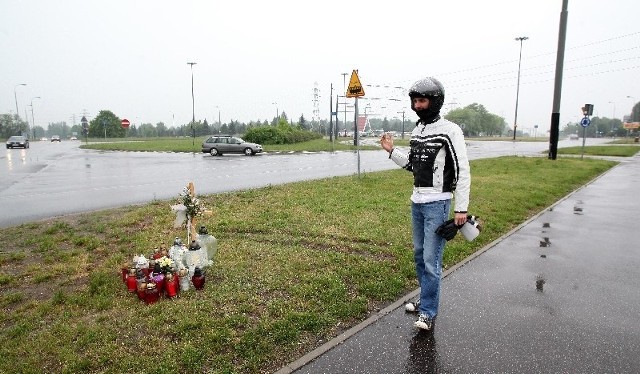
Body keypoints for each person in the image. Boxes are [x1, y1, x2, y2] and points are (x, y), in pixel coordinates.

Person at [380, 77, 471, 331]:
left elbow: (463, 171)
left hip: (438, 203)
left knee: (432, 259)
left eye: (422, 100)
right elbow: (412, 165)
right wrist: (390, 151)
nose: (418, 106)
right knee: (420, 256)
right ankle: (424, 301)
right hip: (417, 201)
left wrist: (461, 209)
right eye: (415, 101)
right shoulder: (418, 130)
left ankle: (429, 312)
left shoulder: (450, 130)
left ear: (435, 101)